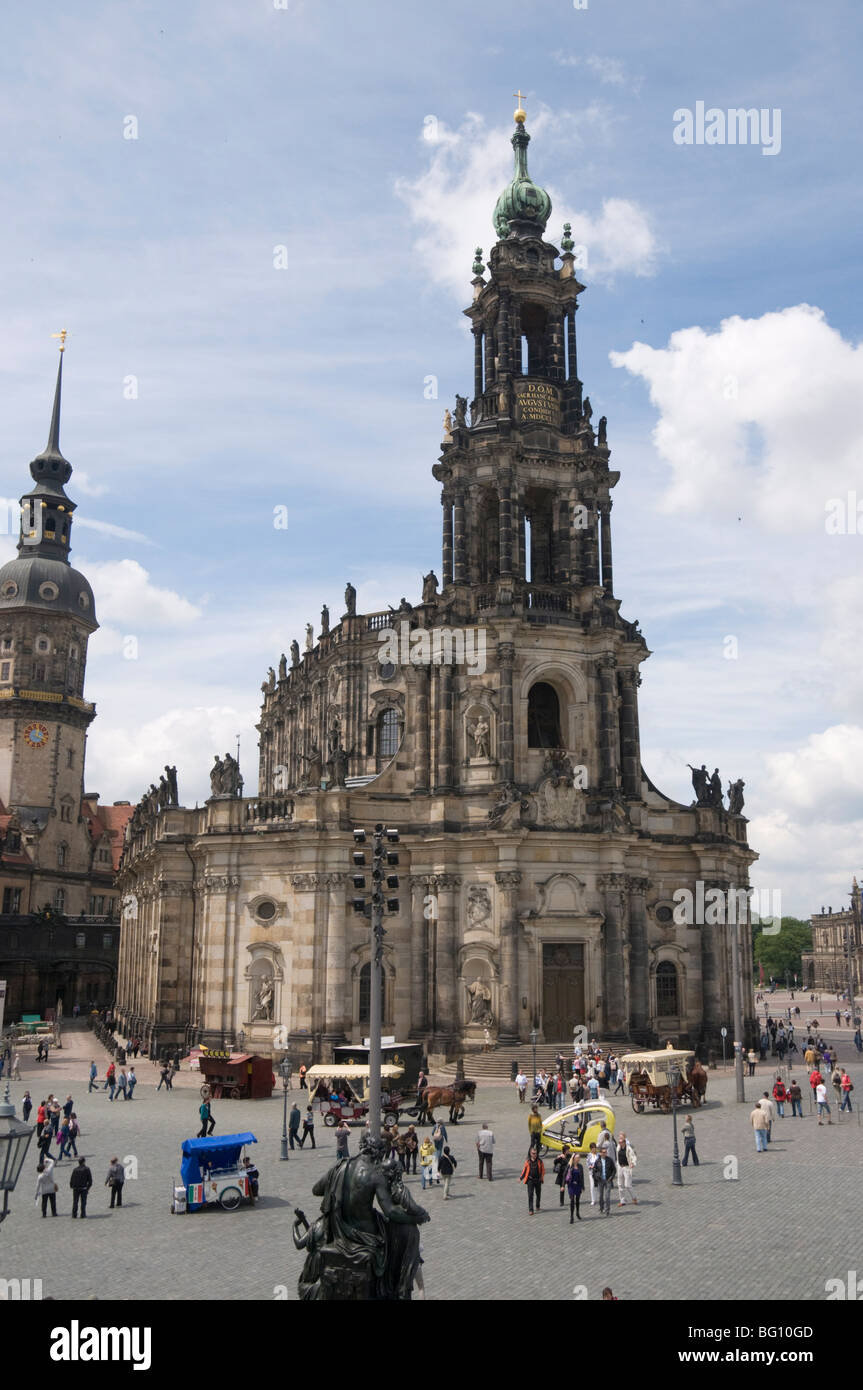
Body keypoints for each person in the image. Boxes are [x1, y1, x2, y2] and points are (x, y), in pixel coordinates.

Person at [520, 1146, 545, 1214]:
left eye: (536, 1153)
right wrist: (521, 1178)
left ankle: (537, 1206)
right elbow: (524, 1171)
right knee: (530, 1195)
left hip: (538, 1180)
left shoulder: (539, 1161)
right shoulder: (528, 1162)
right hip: (530, 1180)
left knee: (538, 1194)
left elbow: (543, 1170)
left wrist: (541, 1177)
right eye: (533, 1153)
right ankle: (531, 1210)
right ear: (530, 1153)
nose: (535, 1155)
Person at [616, 1132, 638, 1205]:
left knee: (627, 1185)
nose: (619, 1142)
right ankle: (622, 1200)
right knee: (620, 1185)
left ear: (624, 1141)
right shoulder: (618, 1147)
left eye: (621, 1140)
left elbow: (634, 1156)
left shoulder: (628, 1148)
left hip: (626, 1167)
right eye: (619, 1140)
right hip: (620, 1167)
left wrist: (633, 1163)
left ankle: (634, 1197)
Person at [594, 1148, 617, 1215]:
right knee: (600, 1196)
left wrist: (611, 1178)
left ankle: (607, 1210)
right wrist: (597, 1176)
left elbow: (614, 1170)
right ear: (600, 1153)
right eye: (603, 1152)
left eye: (605, 1152)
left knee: (607, 1196)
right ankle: (601, 1208)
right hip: (600, 1181)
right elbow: (594, 1170)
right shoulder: (597, 1161)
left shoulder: (609, 1160)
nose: (604, 1153)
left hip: (608, 1180)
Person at [566, 1153, 585, 1223]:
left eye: (579, 1158)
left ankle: (577, 1212)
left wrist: (583, 1186)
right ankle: (571, 1216)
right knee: (572, 1201)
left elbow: (582, 1177)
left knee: (577, 1200)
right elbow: (565, 1174)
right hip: (571, 1185)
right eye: (578, 1158)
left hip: (578, 1185)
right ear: (574, 1159)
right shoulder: (570, 1166)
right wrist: (562, 1186)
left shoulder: (580, 1166)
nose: (579, 1159)